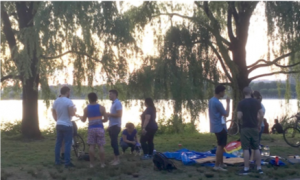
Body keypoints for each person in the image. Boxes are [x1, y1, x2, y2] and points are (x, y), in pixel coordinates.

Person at [237, 87, 264, 175]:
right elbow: (261, 114)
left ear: (243, 93)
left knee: (245, 148)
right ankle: (259, 168)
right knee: (256, 147)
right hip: (254, 127)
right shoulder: (256, 102)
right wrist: (259, 124)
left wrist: (240, 118)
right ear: (251, 92)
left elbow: (239, 116)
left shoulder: (241, 103)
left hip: (245, 127)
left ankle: (246, 168)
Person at [77, 92, 108, 168]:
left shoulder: (86, 109)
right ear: (96, 98)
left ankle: (91, 164)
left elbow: (84, 120)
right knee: (101, 146)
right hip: (100, 128)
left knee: (91, 146)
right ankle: (102, 164)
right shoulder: (102, 108)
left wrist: (80, 117)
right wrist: (101, 121)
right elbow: (106, 119)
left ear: (89, 99)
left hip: (91, 129)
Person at [52, 86, 76, 168]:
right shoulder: (69, 101)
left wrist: (56, 119)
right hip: (67, 125)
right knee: (67, 144)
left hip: (59, 124)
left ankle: (57, 161)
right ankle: (67, 162)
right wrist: (74, 110)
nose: (69, 93)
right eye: (69, 92)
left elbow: (53, 111)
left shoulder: (56, 101)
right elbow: (71, 114)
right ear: (67, 92)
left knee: (58, 143)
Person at [209, 85, 230, 172]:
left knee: (221, 145)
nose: (224, 93)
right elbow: (226, 114)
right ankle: (217, 166)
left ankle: (221, 163)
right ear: (220, 92)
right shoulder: (218, 103)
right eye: (224, 92)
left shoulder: (211, 100)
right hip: (220, 127)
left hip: (214, 125)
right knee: (220, 146)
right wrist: (228, 103)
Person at [106, 90, 122, 166]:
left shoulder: (117, 103)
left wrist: (109, 114)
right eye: (109, 94)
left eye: (110, 94)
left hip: (116, 126)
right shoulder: (113, 103)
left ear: (115, 94)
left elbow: (119, 114)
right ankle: (114, 159)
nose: (109, 95)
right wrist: (109, 126)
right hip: (112, 126)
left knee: (114, 143)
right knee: (112, 143)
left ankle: (117, 160)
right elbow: (113, 116)